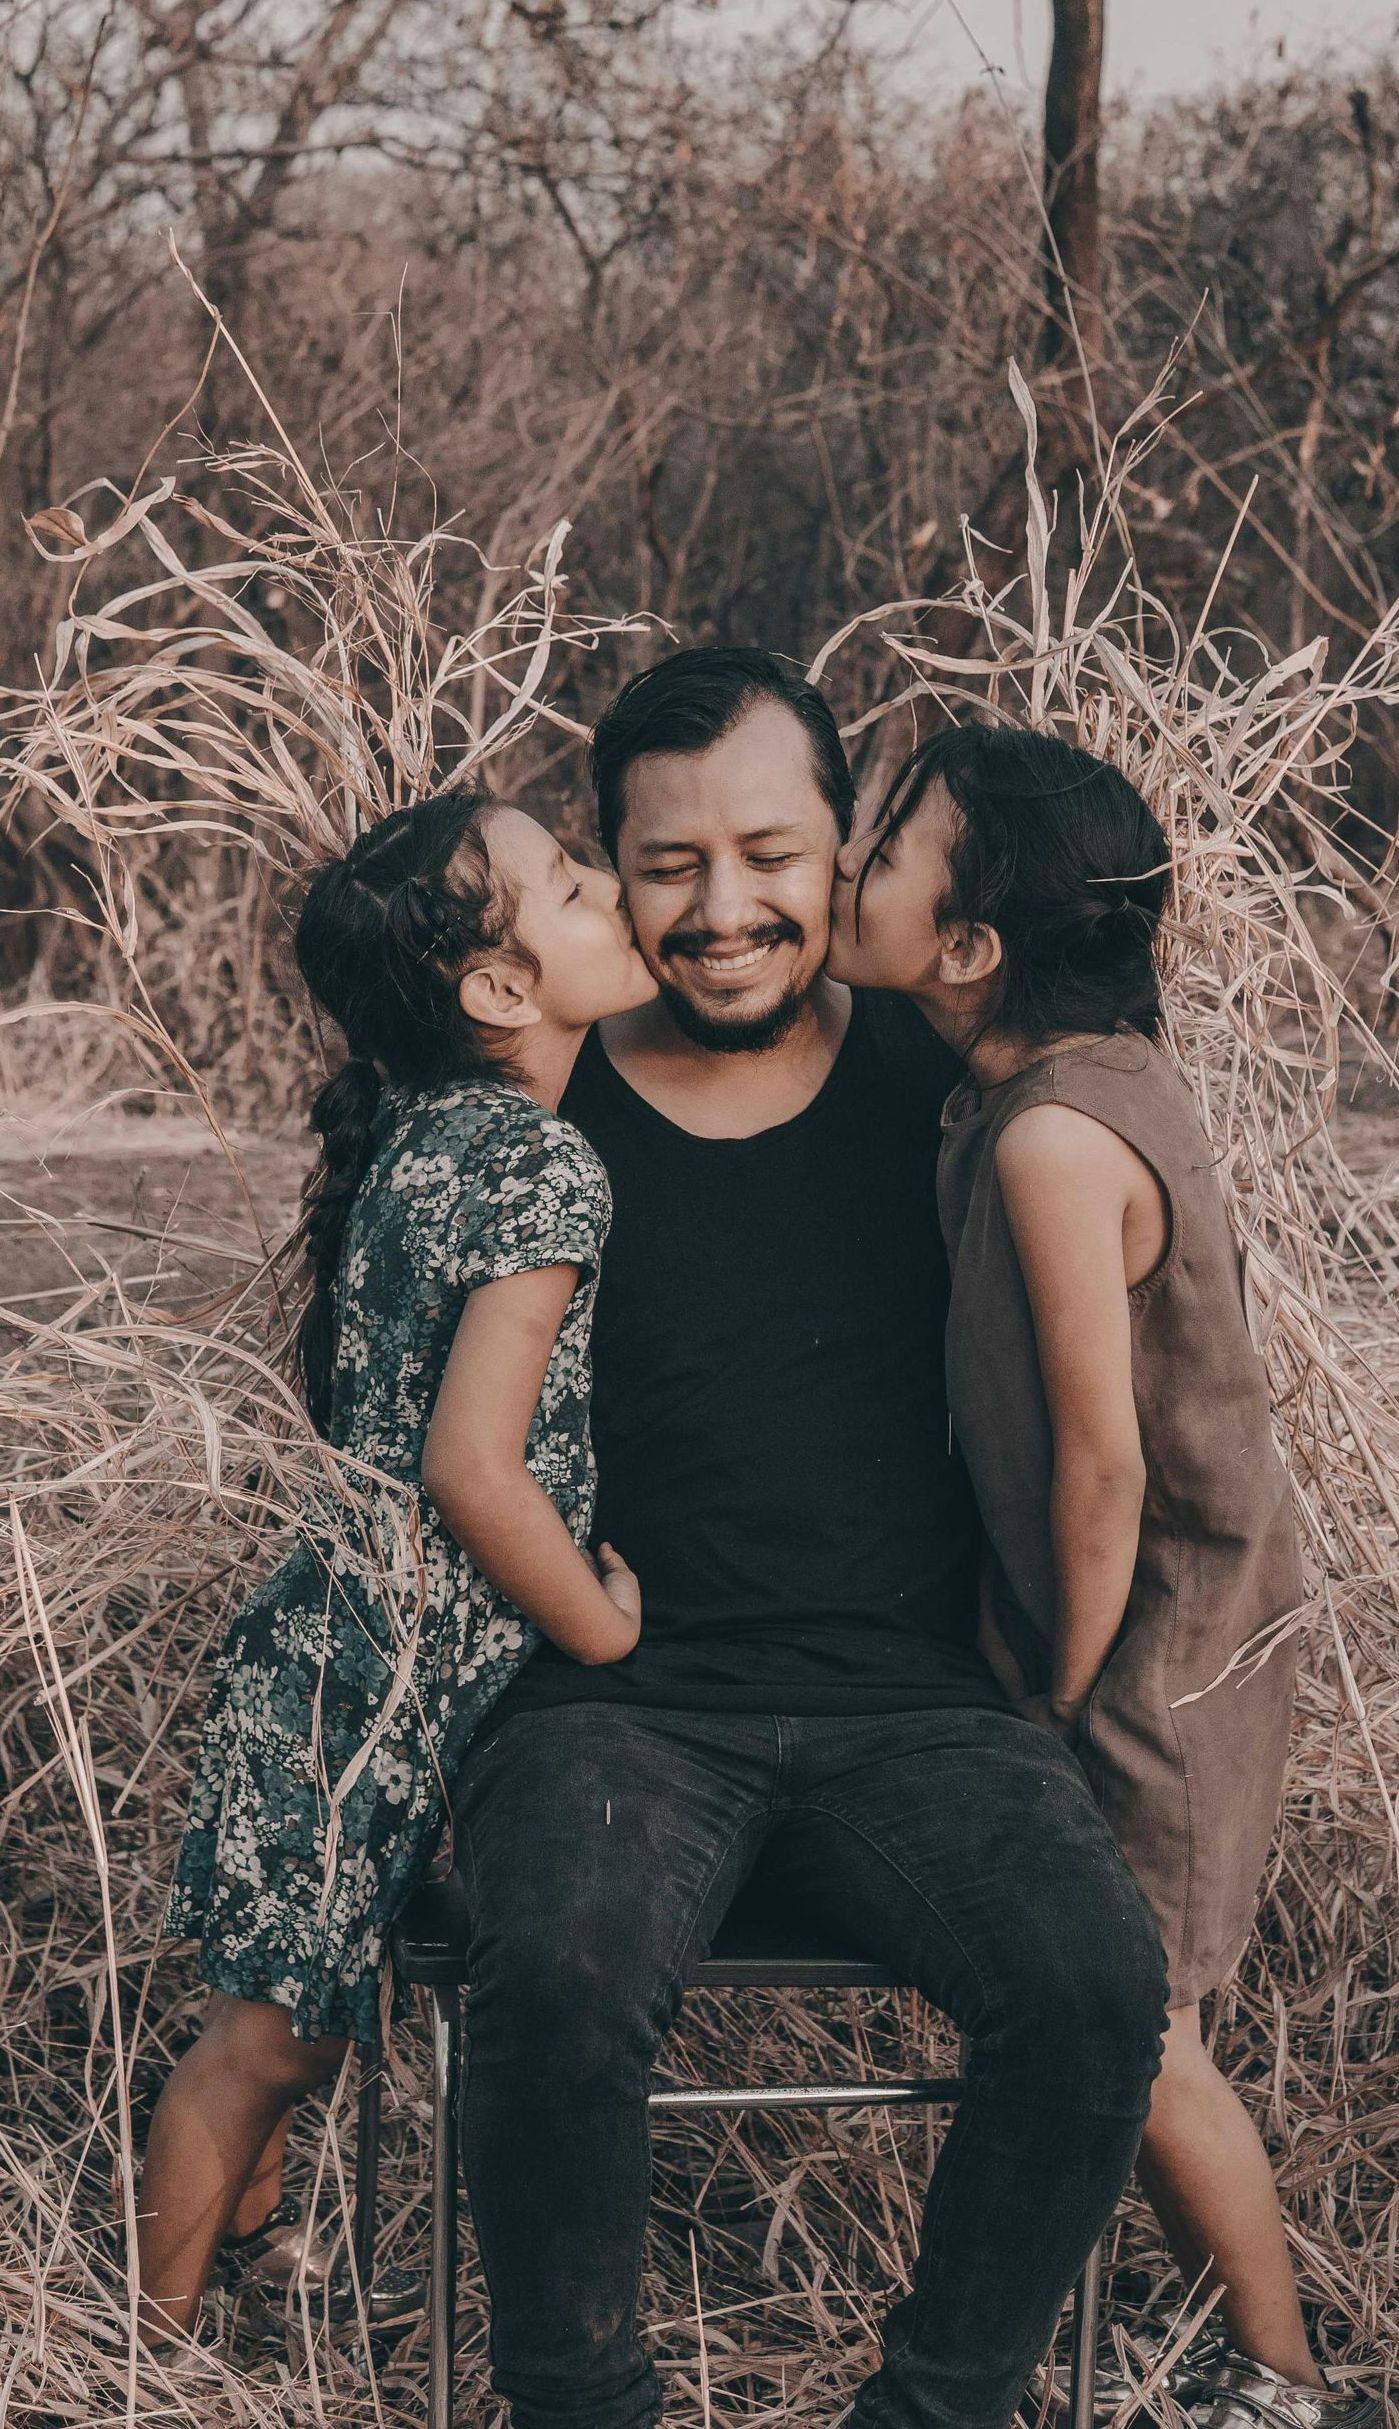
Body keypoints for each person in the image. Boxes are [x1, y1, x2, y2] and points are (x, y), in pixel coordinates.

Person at [450, 646, 1169, 2429]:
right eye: (669, 862)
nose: (724, 909)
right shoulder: (542, 1104)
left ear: (846, 851)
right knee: (546, 1973)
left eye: (772, 852)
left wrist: (1054, 1689)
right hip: (611, 1704)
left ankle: (932, 2410)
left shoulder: (959, 1095)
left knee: (1094, 1984)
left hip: (916, 1704)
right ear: (608, 871)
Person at [828, 719, 1376, 2429]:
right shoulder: (1031, 1080)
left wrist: (1054, 1681)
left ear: (973, 948)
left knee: (1138, 2024)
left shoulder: (1055, 1142)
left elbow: (1101, 1464)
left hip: (1161, 1635)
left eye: (884, 847)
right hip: (1122, 1610)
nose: (849, 863)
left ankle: (1286, 2380)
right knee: (1131, 2011)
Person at [137, 785, 654, 2353]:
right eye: (573, 884)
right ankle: (136, 2365)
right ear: (500, 989)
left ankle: (238, 2294)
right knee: (265, 2046)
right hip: (366, 1682)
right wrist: (603, 1624)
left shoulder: (432, 1134)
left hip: (345, 1658)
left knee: (278, 2036)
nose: (611, 888)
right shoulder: (544, 1169)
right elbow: (471, 1468)